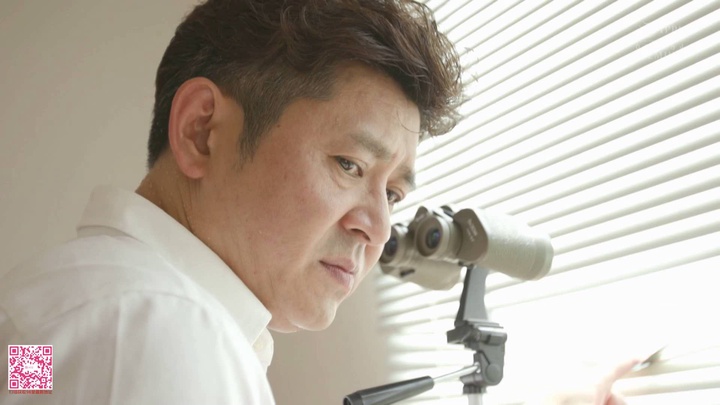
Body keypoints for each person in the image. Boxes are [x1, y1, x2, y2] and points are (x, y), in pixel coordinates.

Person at [0, 1, 635, 404]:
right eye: (349, 165)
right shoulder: (162, 328)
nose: (378, 228)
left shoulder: (59, 306)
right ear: (202, 131)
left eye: (393, 193)